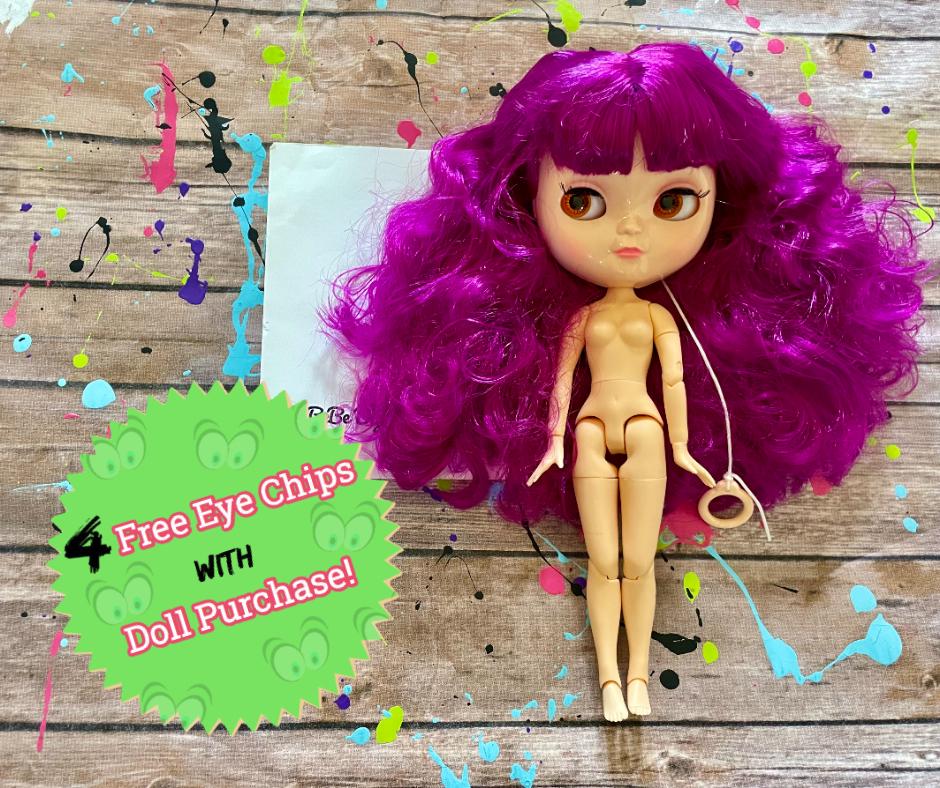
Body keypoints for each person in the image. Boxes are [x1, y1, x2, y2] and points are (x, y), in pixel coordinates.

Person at [324, 43, 930, 721]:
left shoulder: (661, 319)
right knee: (605, 561)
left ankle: (635, 677)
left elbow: (674, 385)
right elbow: (561, 384)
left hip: (645, 431)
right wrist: (551, 444)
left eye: (674, 200)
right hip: (588, 433)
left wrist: (688, 454)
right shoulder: (581, 319)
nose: (631, 228)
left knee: (635, 563)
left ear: (723, 201)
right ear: (526, 201)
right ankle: (610, 682)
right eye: (584, 200)